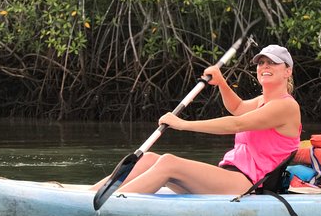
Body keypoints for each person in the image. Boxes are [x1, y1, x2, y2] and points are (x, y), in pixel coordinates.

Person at [94, 44, 301, 195]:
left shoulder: (286, 106)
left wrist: (183, 124)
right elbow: (237, 108)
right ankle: (92, 193)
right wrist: (221, 82)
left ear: (287, 71)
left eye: (273, 63)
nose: (265, 66)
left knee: (168, 163)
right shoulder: (260, 101)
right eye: (261, 62)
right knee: (148, 159)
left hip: (250, 184)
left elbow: (236, 123)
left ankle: (112, 205)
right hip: (230, 175)